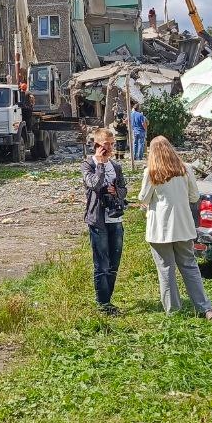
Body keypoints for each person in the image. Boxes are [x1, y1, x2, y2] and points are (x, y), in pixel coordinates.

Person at [137, 136, 212, 319]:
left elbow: (143, 198)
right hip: (183, 225)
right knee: (189, 265)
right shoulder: (186, 169)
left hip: (160, 228)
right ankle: (205, 307)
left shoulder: (151, 172)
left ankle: (173, 310)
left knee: (166, 268)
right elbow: (194, 196)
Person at [82, 127, 126, 314]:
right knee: (102, 264)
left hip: (115, 219)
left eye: (112, 143)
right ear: (97, 145)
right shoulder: (87, 164)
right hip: (98, 220)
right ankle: (103, 304)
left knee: (114, 262)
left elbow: (124, 189)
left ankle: (108, 300)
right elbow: (93, 184)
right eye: (106, 144)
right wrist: (100, 164)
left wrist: (117, 191)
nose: (110, 148)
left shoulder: (116, 166)